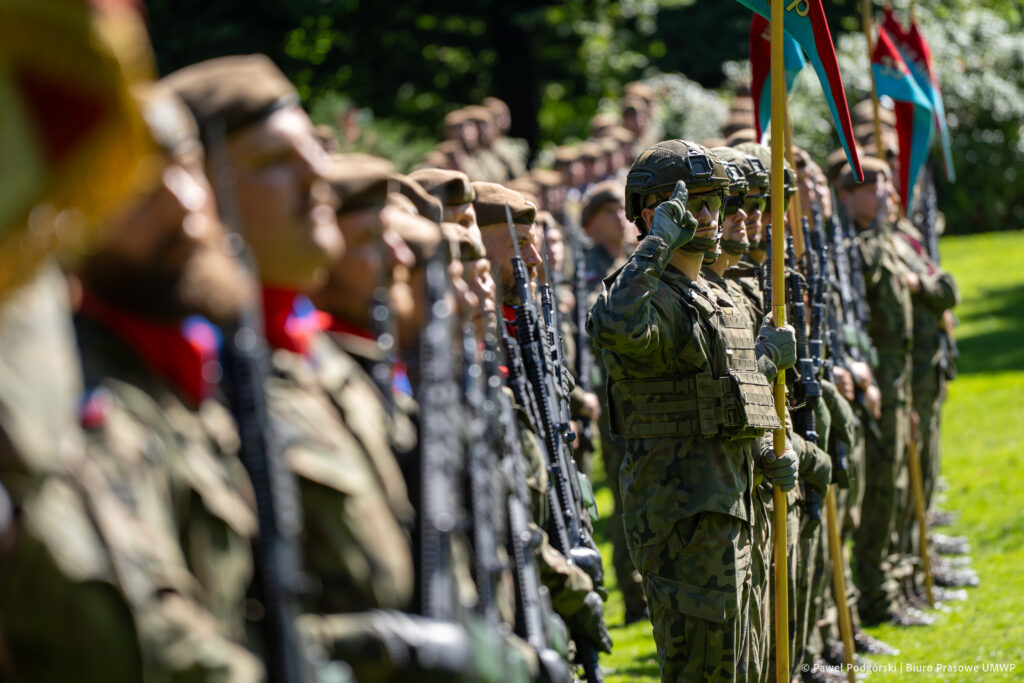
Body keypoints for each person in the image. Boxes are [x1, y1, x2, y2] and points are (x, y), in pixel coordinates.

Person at [587, 139, 797, 682]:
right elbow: (614, 327)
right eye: (693, 204)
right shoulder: (644, 293)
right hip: (684, 521)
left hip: (735, 503)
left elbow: (725, 397)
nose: (709, 216)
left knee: (746, 666)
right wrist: (657, 244)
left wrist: (768, 451)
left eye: (715, 203)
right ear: (653, 212)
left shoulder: (717, 294)